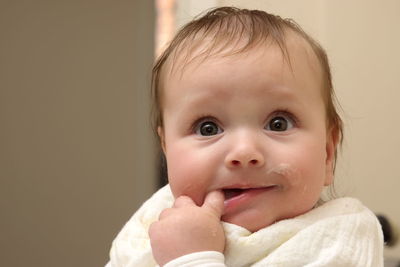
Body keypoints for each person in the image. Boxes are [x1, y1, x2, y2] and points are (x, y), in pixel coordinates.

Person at [106, 7, 383, 267]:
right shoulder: (150, 226)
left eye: (278, 123)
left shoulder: (339, 240)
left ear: (327, 153)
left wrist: (192, 258)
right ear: (167, 150)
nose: (244, 151)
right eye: (208, 128)